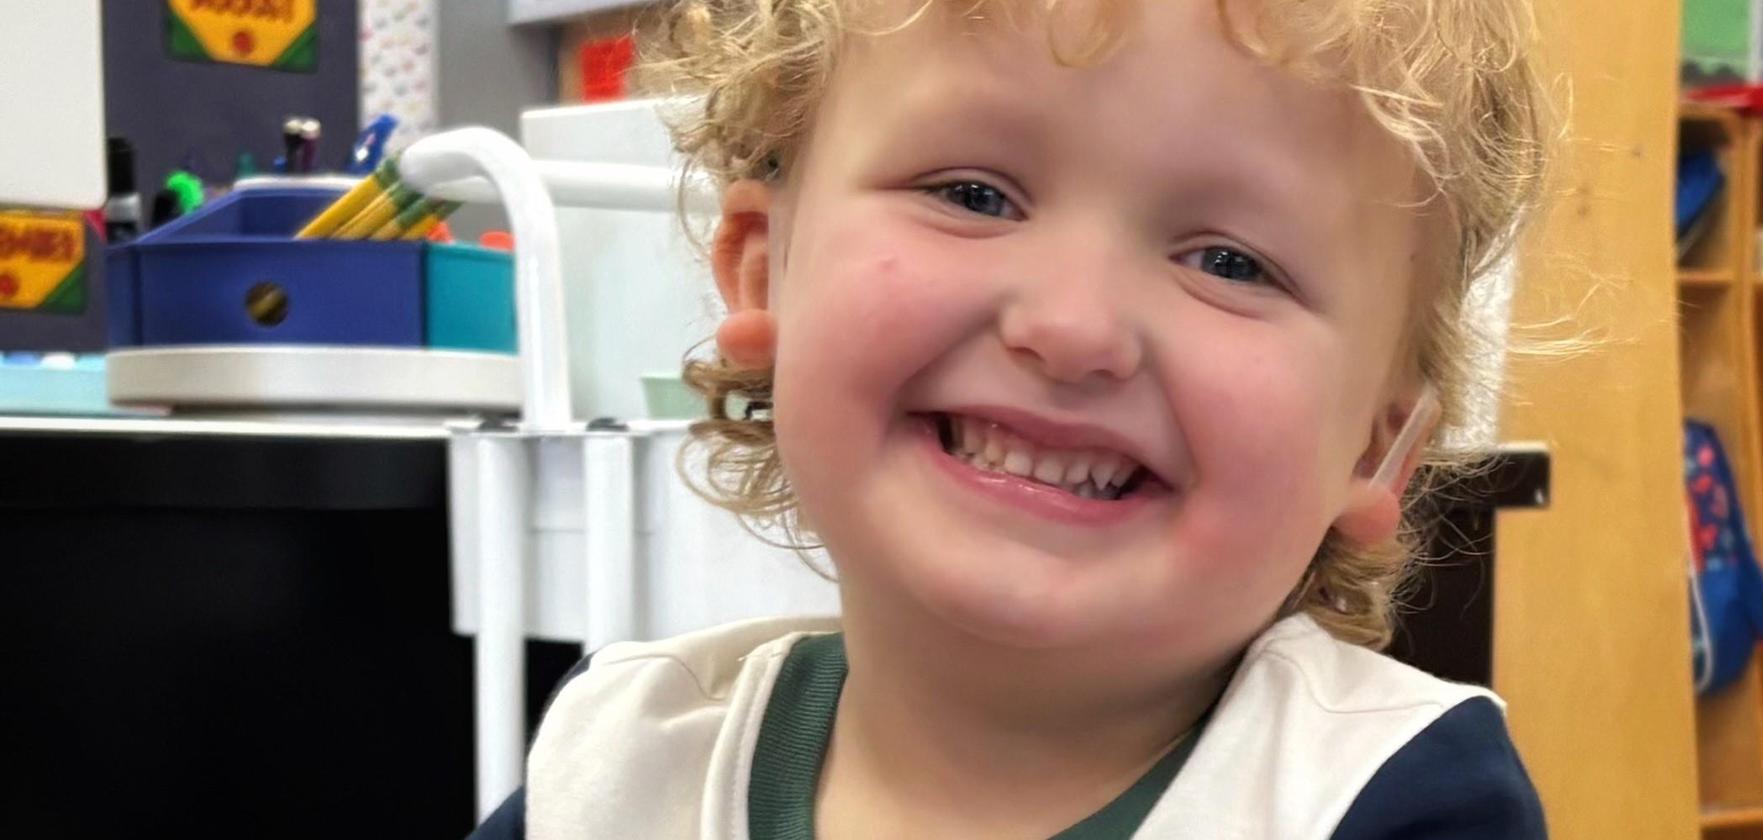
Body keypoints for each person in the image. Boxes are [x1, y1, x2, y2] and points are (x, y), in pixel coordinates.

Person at [474, 0, 1550, 836]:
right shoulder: (619, 769)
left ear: (1377, 443)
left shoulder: (1391, 798)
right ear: (768, 274)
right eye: (972, 194)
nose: (1072, 326)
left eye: (1229, 262)